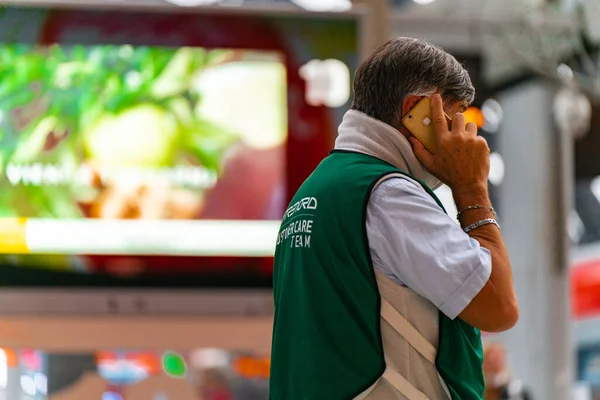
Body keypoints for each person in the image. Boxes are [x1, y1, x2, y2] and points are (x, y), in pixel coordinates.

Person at [269, 37, 519, 400]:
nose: (463, 135)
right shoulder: (388, 195)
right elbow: (499, 307)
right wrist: (471, 188)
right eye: (454, 118)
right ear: (416, 113)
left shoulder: (317, 191)